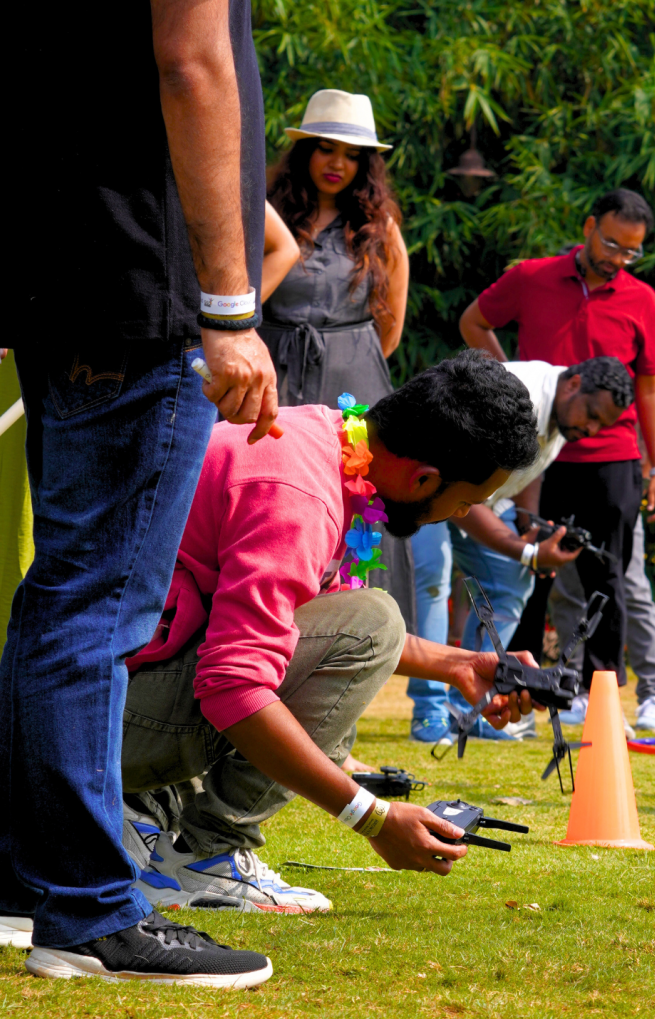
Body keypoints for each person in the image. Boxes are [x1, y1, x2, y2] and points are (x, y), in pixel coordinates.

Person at [0, 0, 281, 988]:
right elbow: (193, 63)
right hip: (144, 282)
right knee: (95, 600)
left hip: (53, 271)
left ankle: (6, 878)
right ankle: (91, 909)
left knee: (67, 587)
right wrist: (228, 308)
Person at [119, 351, 539, 914]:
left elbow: (304, 622)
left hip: (107, 702)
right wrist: (373, 818)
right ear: (423, 479)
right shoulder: (299, 497)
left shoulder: (322, 438)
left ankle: (145, 808)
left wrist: (456, 664)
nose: (462, 516)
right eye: (465, 502)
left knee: (365, 628)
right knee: (374, 624)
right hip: (98, 726)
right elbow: (232, 686)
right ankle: (204, 857)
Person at [460, 188, 655, 700]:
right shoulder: (533, 276)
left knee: (609, 579)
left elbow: (649, 385)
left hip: (614, 457)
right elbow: (474, 322)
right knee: (533, 571)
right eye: (612, 243)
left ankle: (598, 697)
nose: (618, 258)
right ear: (588, 225)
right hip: (538, 451)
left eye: (631, 251)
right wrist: (509, 382)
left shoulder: (643, 299)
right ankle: (526, 691)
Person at [405, 355, 632, 744]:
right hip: (424, 488)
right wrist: (525, 551)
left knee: (513, 583)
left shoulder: (562, 416)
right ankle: (429, 712)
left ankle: (469, 707)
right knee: (433, 578)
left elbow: (532, 466)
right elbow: (460, 493)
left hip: (475, 503)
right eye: (592, 415)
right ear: (574, 384)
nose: (591, 429)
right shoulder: (518, 397)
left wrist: (529, 530)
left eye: (600, 425)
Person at [261, 89, 415, 630]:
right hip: (273, 372)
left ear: (365, 165)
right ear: (305, 153)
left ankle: (346, 635)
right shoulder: (268, 214)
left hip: (355, 377)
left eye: (351, 155)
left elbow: (390, 327)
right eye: (326, 149)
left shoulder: (382, 230)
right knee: (270, 493)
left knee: (356, 502)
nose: (337, 163)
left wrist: (346, 359)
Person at [550, 345, 655, 734]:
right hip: (564, 464)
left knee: (627, 586)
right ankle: (578, 690)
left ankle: (653, 692)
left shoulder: (639, 306)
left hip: (617, 472)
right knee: (569, 588)